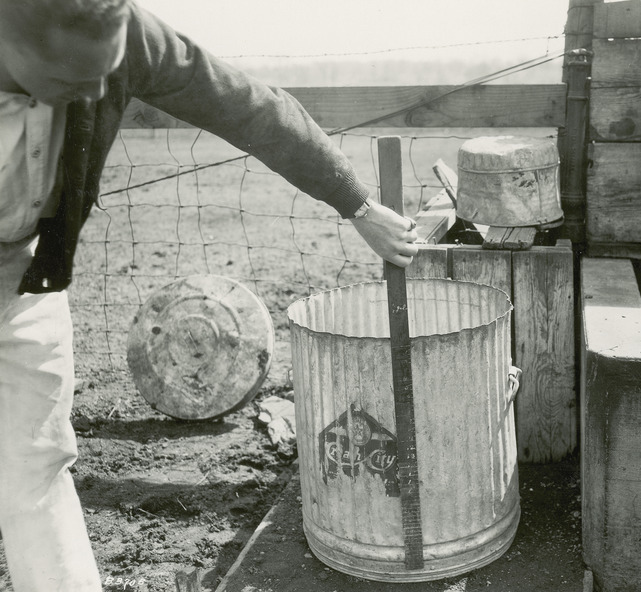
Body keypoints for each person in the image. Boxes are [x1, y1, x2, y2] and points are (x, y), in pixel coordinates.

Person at [0, 0, 418, 589]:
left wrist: (356, 202)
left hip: (24, 277)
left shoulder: (124, 41)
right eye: (74, 78)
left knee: (36, 465)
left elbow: (247, 108)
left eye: (109, 68)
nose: (100, 90)